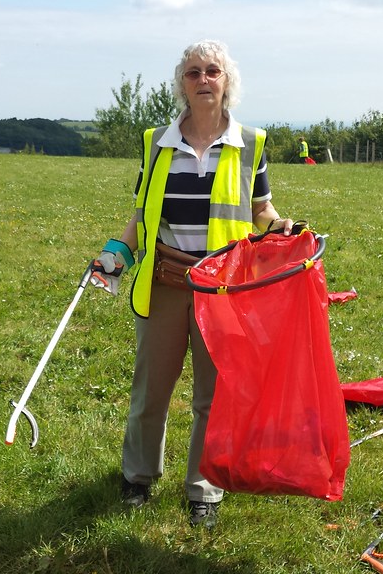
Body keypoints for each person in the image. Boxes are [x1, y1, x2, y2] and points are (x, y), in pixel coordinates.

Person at [89, 39, 294, 529]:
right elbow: (143, 216)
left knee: (212, 396)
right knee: (150, 390)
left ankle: (203, 487)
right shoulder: (156, 142)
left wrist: (281, 227)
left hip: (223, 293)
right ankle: (137, 477)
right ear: (182, 83)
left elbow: (260, 208)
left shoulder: (251, 143)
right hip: (164, 283)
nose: (204, 80)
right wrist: (114, 255)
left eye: (213, 72)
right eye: (194, 72)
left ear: (227, 82)